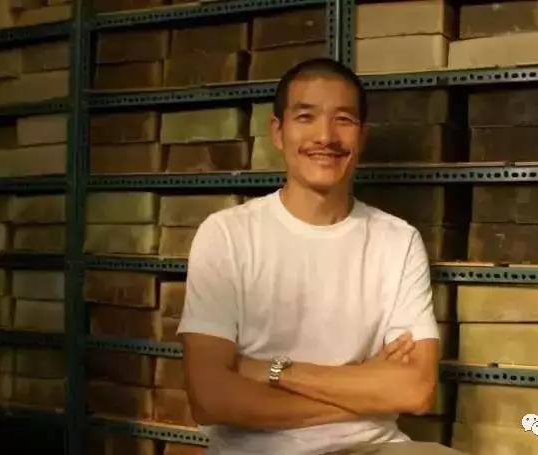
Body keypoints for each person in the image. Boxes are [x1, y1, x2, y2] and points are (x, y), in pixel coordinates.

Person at [177, 57, 440, 455]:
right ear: (278, 132)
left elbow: (416, 391)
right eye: (305, 117)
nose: (325, 136)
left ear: (362, 136)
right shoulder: (227, 235)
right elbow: (210, 398)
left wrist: (272, 371)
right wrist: (366, 387)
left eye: (343, 120)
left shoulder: (399, 241)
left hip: (375, 447)